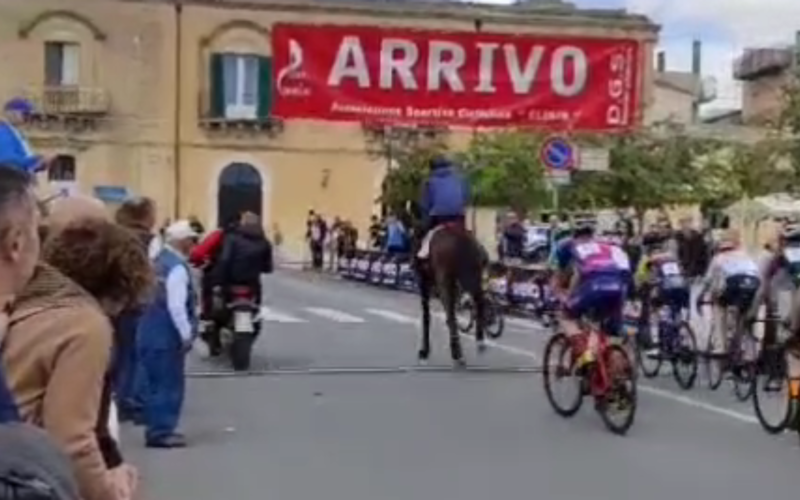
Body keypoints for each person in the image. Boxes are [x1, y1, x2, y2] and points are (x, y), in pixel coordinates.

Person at [6, 203, 152, 500]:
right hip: (26, 478)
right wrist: (111, 491)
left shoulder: (22, 301)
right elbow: (72, 439)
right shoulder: (84, 324)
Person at [136, 220, 199, 448]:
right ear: (182, 242)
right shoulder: (177, 268)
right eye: (191, 240)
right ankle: (162, 431)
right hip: (166, 334)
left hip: (147, 330)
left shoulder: (156, 263)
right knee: (168, 385)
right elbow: (176, 306)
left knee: (153, 383)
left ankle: (155, 427)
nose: (194, 244)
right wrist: (186, 334)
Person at [551, 222, 632, 367]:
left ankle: (584, 351)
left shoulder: (569, 246)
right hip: (618, 287)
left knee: (565, 316)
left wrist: (567, 297)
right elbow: (625, 273)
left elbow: (571, 276)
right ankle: (619, 375)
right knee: (608, 333)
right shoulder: (608, 247)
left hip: (594, 286)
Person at [113, 196, 157, 423]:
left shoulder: (113, 236)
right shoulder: (145, 241)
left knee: (120, 355)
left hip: (115, 304)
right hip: (135, 304)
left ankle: (121, 397)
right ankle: (130, 401)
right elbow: (143, 274)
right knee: (136, 355)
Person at [695, 229, 761, 354]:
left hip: (732, 289)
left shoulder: (718, 258)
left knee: (719, 309)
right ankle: (744, 348)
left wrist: (700, 296)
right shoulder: (746, 255)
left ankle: (721, 347)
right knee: (743, 315)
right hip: (752, 286)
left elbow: (707, 280)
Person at [634, 232, 690, 349]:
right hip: (682, 287)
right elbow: (681, 270)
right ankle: (681, 339)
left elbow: (641, 277)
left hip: (664, 289)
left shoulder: (647, 258)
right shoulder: (671, 255)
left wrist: (639, 286)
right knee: (676, 313)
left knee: (655, 313)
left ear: (645, 246)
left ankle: (657, 345)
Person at [416, 155, 470, 259]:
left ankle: (423, 254)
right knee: (468, 235)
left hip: (439, 216)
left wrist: (425, 218)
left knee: (425, 236)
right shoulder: (460, 179)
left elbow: (424, 204)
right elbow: (466, 196)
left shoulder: (429, 182)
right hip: (459, 215)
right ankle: (482, 254)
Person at [215, 212, 274, 304]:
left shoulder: (232, 238)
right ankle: (255, 309)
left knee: (221, 297)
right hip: (252, 280)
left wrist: (219, 278)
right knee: (256, 298)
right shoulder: (265, 242)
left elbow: (225, 259)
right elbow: (267, 267)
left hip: (233, 279)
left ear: (242, 223)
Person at [0, 98, 46, 173]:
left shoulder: (16, 133)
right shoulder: (3, 132)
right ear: (12, 113)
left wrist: (39, 163)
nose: (28, 118)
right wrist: (35, 160)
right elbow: (8, 161)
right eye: (25, 114)